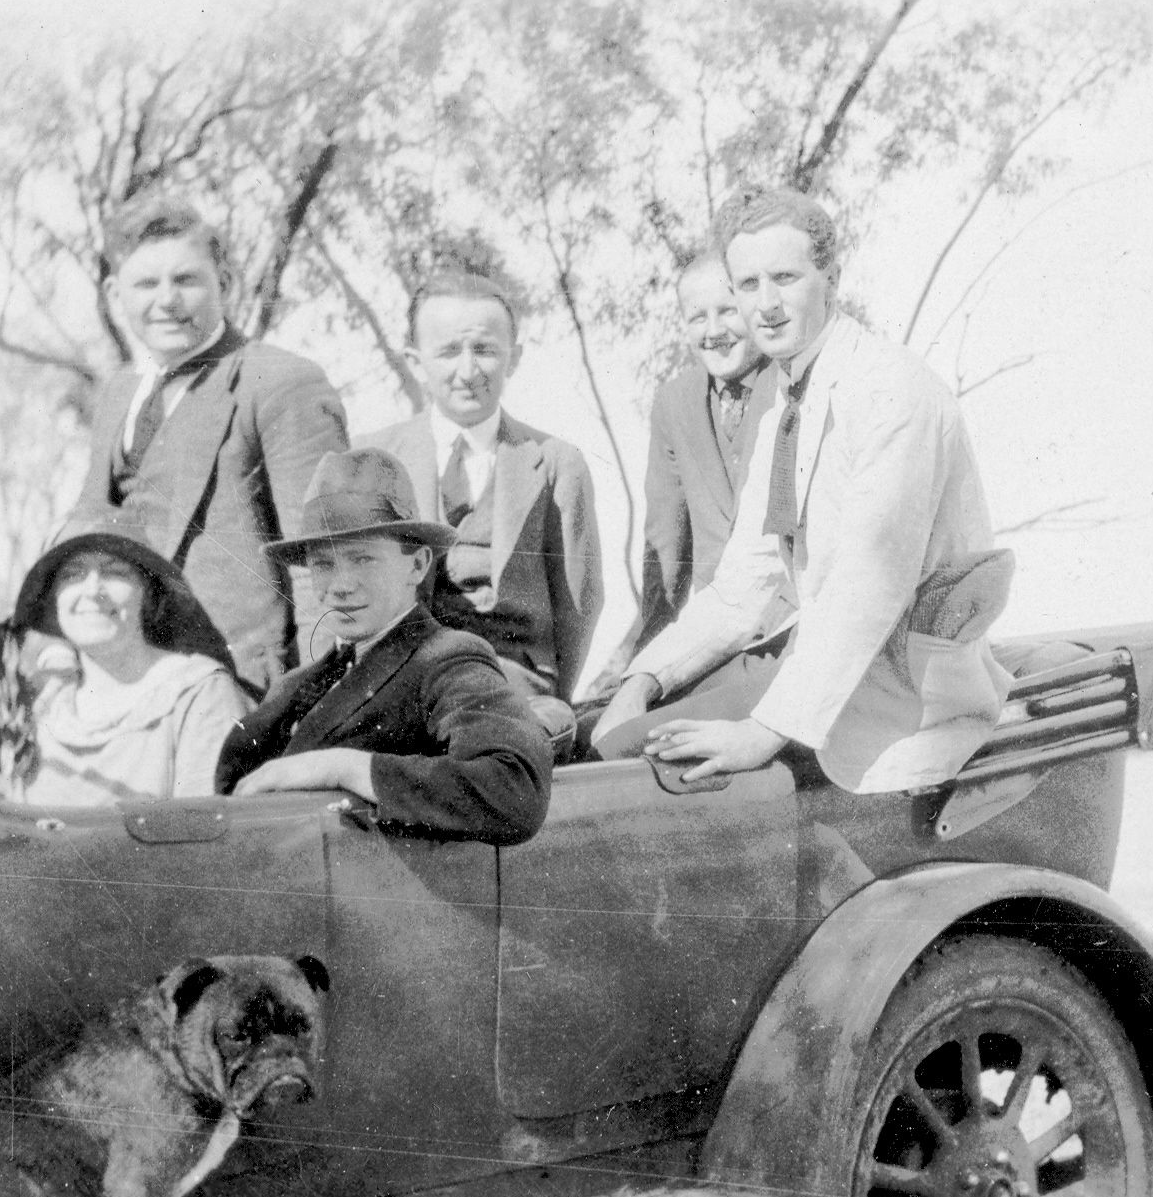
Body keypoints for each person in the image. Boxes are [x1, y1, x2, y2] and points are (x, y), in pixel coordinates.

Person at [594, 186, 1013, 794]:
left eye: (785, 277)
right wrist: (645, 679)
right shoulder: (790, 405)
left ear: (831, 277)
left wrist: (764, 730)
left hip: (905, 696)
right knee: (609, 737)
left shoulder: (891, 391)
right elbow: (748, 583)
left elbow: (868, 585)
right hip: (834, 683)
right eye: (747, 284)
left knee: (634, 762)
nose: (765, 304)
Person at [69, 196, 348, 695]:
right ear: (115, 295)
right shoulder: (118, 395)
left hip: (241, 685)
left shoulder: (280, 383)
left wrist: (315, 710)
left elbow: (323, 568)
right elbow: (86, 527)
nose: (167, 301)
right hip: (128, 675)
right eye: (146, 284)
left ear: (225, 280)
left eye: (186, 280)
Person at [215, 448, 554, 846]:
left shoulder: (447, 658)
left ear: (418, 565)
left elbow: (514, 790)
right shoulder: (296, 685)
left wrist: (341, 768)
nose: (341, 584)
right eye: (324, 564)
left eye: (363, 559)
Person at [359, 271, 602, 743]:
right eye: (449, 351)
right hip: (399, 680)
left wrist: (550, 693)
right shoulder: (376, 459)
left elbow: (579, 603)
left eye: (485, 350)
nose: (468, 371)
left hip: (512, 684)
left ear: (514, 357)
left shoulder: (555, 463)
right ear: (415, 361)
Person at [0, 519, 253, 805]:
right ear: (55, 600)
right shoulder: (43, 699)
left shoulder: (199, 695)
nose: (92, 590)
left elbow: (211, 840)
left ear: (148, 596)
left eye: (114, 572)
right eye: (73, 574)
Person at [609, 252, 774, 662]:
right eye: (697, 317)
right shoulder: (675, 402)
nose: (714, 331)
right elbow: (667, 544)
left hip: (790, 626)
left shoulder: (790, 384)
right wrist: (647, 661)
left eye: (728, 311)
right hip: (716, 633)